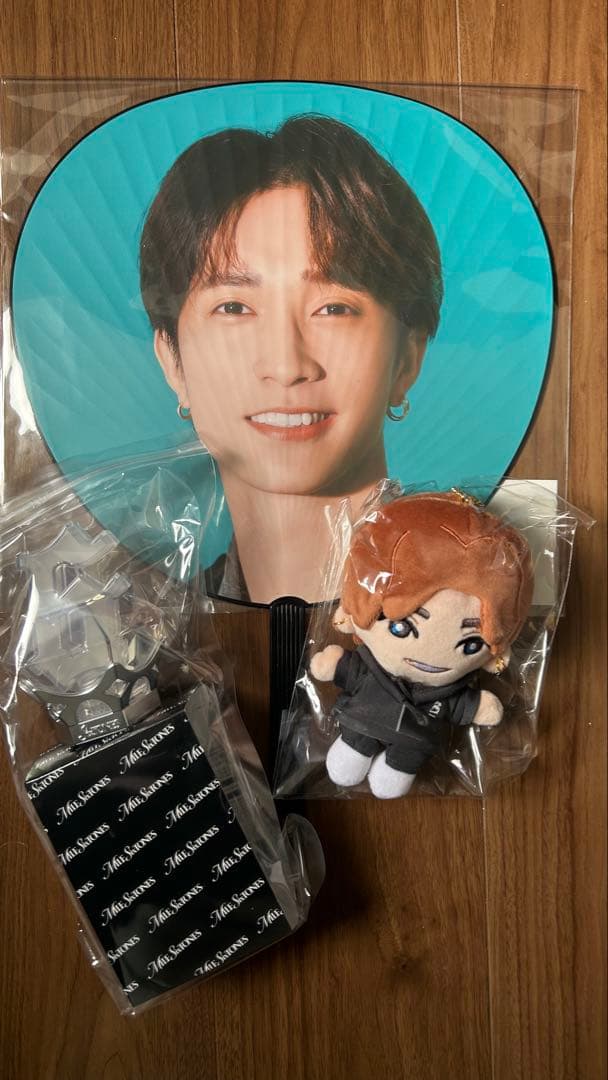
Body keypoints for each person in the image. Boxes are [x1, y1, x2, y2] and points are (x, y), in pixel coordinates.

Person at [140, 115, 442, 603]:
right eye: (233, 307)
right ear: (173, 361)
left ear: (407, 357)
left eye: (334, 308)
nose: (286, 366)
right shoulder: (150, 629)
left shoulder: (479, 607)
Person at [310, 492, 534, 798]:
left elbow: (463, 705)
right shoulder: (371, 670)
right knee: (349, 757)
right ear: (356, 611)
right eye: (402, 627)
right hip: (361, 723)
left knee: (398, 769)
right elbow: (349, 668)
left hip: (414, 743)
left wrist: (479, 706)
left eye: (470, 645)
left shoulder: (448, 691)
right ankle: (356, 750)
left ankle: (397, 767)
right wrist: (335, 664)